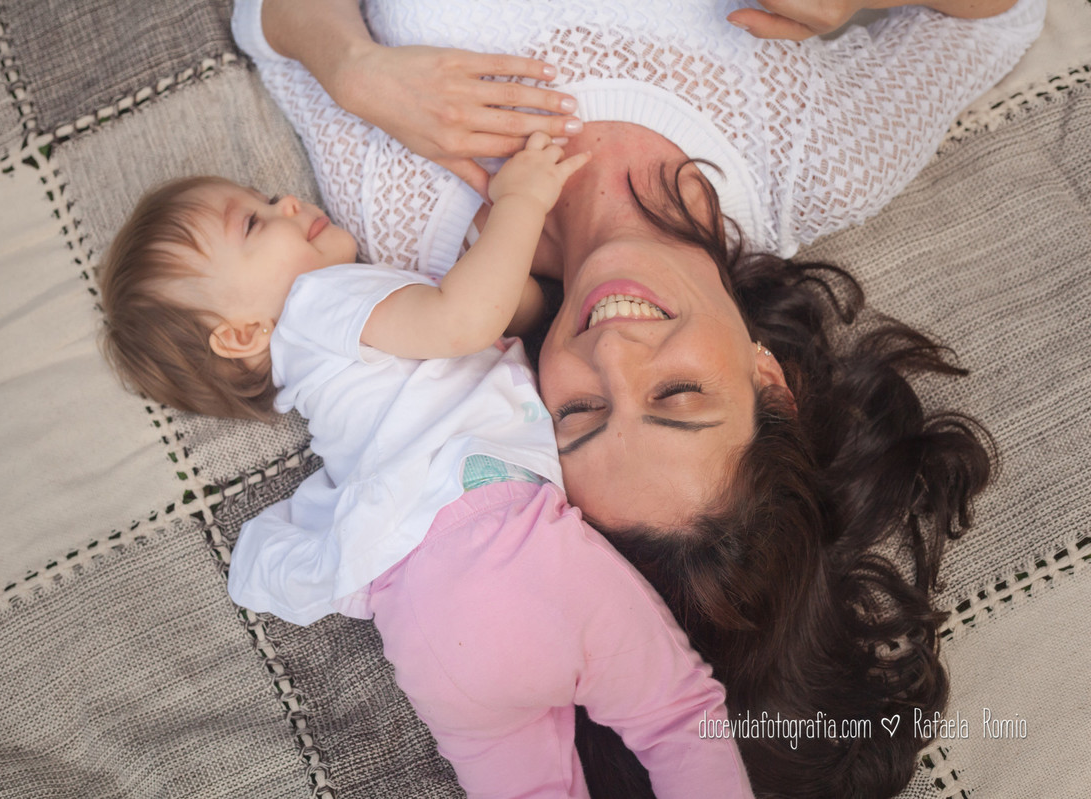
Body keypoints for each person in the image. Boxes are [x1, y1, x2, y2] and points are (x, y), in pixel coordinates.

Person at [230, 1, 1045, 796]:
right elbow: (1005, 14)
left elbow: (267, 20)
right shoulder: (811, 156)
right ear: (771, 381)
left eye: (580, 415)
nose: (612, 351)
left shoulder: (413, 258)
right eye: (678, 393)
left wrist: (350, 64)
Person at [96, 135, 754, 798]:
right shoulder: (318, 302)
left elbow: (501, 318)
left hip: (426, 632)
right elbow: (466, 319)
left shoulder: (335, 371)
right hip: (506, 546)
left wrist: (525, 301)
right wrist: (519, 204)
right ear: (242, 333)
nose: (288, 201)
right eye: (256, 221)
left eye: (269, 198)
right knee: (680, 719)